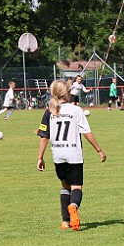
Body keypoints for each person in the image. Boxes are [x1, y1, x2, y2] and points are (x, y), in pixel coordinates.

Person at [36, 80, 107, 230]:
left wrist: (40, 158)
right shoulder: (76, 110)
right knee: (76, 187)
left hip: (58, 155)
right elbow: (86, 133)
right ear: (67, 92)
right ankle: (73, 206)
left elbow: (44, 136)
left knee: (64, 186)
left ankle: (65, 221)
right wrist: (99, 150)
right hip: (74, 154)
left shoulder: (50, 110)